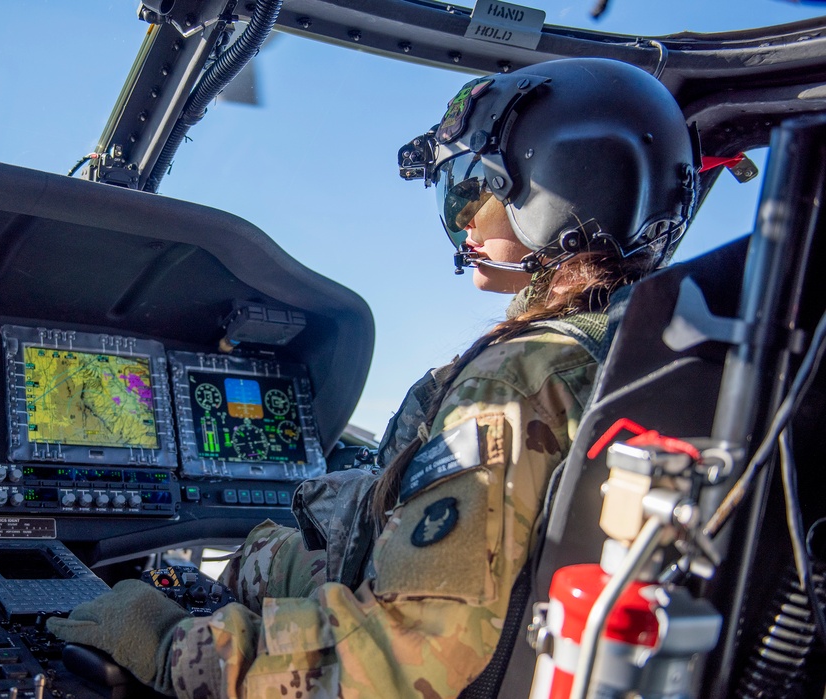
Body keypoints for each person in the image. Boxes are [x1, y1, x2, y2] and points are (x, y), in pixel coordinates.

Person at [47, 57, 698, 698]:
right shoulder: (643, 353)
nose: (465, 217)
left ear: (555, 188)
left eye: (475, 188)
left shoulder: (514, 382)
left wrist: (166, 645)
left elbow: (392, 660)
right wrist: (253, 563)